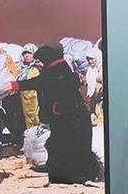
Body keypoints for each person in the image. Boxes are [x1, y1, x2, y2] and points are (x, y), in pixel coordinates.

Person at [30, 42, 101, 183]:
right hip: (63, 118)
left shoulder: (58, 71)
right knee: (59, 145)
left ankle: (79, 175)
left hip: (71, 117)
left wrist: (14, 86)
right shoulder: (55, 70)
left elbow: (60, 89)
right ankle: (64, 176)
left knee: (68, 146)